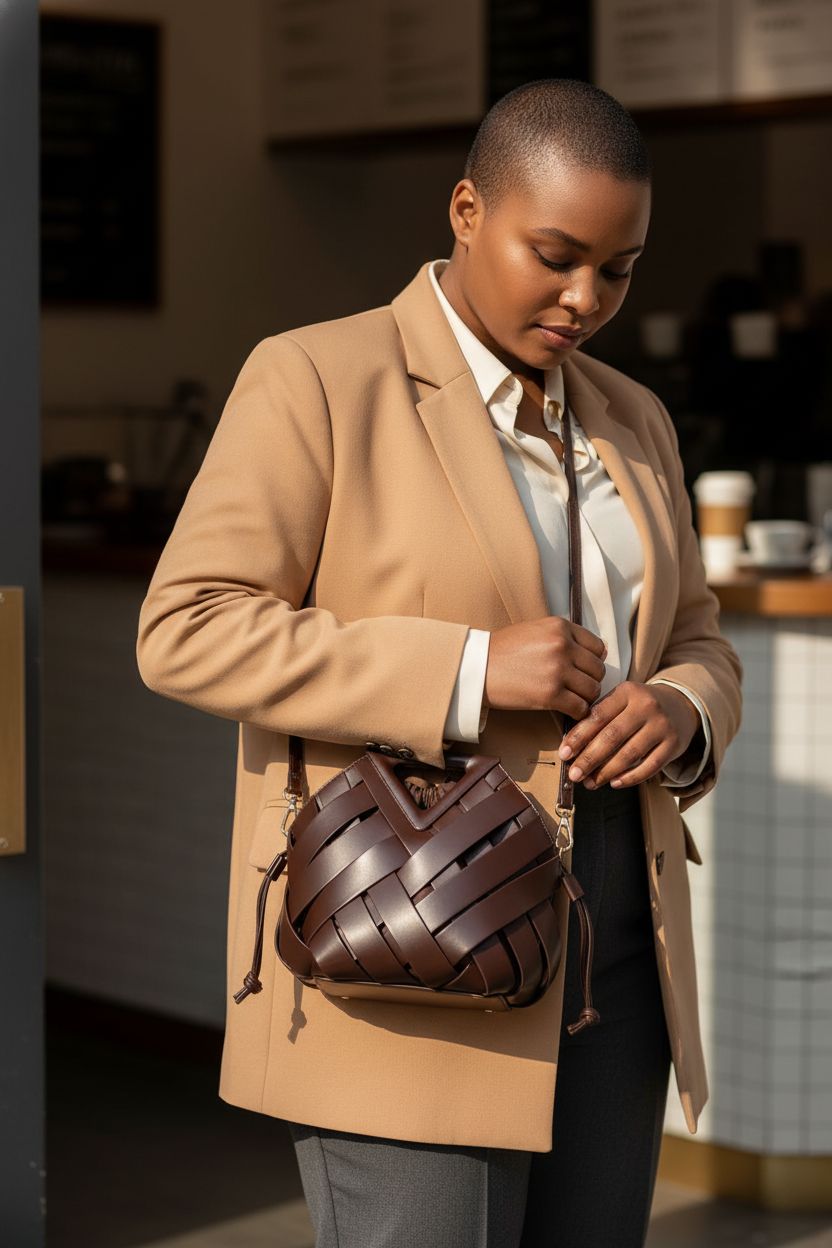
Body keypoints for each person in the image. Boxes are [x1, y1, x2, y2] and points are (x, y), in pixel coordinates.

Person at [136, 78, 742, 1248]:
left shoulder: (634, 418)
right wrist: (466, 672)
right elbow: (189, 625)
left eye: (617, 270)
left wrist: (679, 707)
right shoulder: (316, 378)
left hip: (614, 935)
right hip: (410, 926)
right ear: (466, 210)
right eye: (555, 255)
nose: (584, 300)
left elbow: (699, 636)